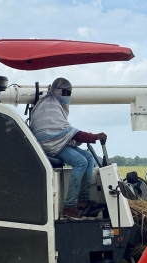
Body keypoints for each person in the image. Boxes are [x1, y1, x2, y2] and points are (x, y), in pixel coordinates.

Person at [29, 77, 106, 218]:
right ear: (60, 92)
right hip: (49, 144)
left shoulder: (48, 103)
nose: (69, 96)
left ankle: (82, 200)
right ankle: (69, 206)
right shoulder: (51, 106)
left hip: (56, 141)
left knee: (89, 157)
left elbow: (63, 131)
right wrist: (93, 136)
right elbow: (62, 132)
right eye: (67, 92)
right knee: (80, 162)